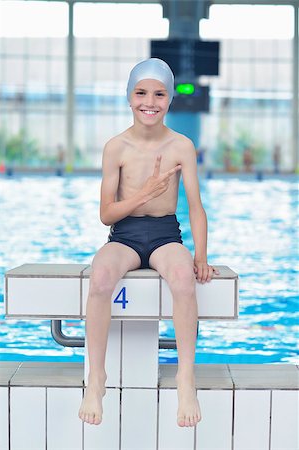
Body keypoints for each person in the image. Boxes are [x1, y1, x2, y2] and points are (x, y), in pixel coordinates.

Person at [78, 58, 219, 428]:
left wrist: (200, 255)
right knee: (101, 277)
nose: (150, 101)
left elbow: (196, 208)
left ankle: (185, 377)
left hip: (164, 235)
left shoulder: (181, 146)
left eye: (159, 94)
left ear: (169, 100)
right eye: (141, 92)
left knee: (184, 278)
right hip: (124, 235)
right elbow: (106, 214)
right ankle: (96, 378)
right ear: (129, 97)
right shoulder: (116, 147)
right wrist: (145, 193)